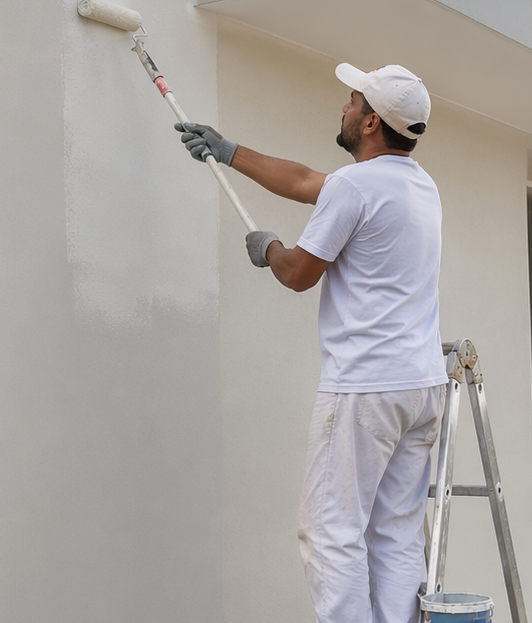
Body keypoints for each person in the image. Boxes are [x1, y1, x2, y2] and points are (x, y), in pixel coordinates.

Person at [176, 63, 446, 623]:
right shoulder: (418, 184)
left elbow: (300, 273)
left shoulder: (356, 186)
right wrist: (229, 152)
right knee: (395, 533)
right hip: (419, 387)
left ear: (371, 121)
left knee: (331, 530)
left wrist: (270, 248)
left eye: (351, 101)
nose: (343, 109)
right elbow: (304, 182)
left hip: (365, 388)